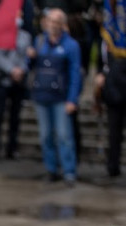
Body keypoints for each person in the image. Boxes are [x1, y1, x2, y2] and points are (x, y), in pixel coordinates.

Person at [28, 8, 81, 185]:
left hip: (61, 98)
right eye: (50, 20)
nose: (52, 24)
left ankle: (69, 171)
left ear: (62, 24)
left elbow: (75, 74)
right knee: (46, 136)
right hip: (41, 95)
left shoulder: (71, 45)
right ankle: (51, 169)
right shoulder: (40, 41)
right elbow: (31, 67)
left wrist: (72, 99)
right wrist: (30, 58)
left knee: (64, 136)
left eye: (56, 21)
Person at [0, 9, 32, 162]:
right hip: (2, 80)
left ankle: (12, 148)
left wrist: (21, 70)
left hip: (18, 82)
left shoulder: (25, 36)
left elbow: (26, 55)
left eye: (20, 15)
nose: (19, 18)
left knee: (15, 117)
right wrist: (11, 69)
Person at [94, 2, 126, 180]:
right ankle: (112, 167)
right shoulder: (107, 39)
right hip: (113, 90)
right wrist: (100, 75)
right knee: (114, 132)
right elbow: (101, 62)